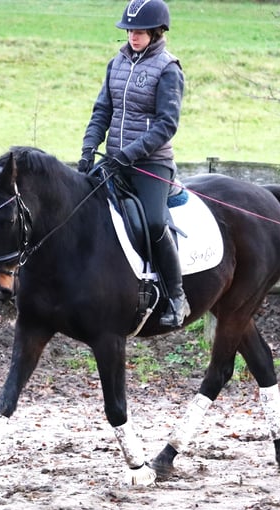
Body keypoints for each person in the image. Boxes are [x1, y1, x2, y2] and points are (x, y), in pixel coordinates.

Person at [77, 0, 190, 328]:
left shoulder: (169, 69)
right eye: (129, 31)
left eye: (139, 31)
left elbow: (166, 125)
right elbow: (102, 111)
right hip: (113, 160)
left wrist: (127, 155)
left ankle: (176, 296)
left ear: (156, 32)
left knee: (154, 223)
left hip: (151, 164)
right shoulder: (116, 64)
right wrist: (88, 150)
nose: (133, 36)